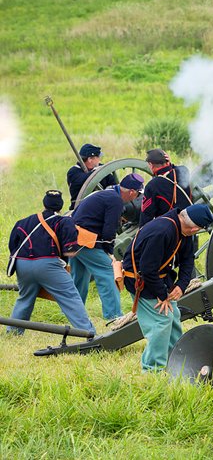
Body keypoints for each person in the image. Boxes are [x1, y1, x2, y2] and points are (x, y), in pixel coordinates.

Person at [122, 204, 213, 372]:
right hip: (141, 280)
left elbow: (188, 260)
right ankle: (152, 369)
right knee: (161, 321)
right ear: (194, 228)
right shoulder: (163, 231)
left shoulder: (182, 229)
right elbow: (147, 268)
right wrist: (162, 294)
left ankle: (176, 361)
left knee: (174, 316)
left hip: (159, 278)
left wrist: (181, 285)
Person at [6, 191, 96, 335]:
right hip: (47, 265)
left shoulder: (23, 221)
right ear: (60, 206)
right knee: (70, 297)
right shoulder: (64, 221)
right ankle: (88, 333)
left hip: (22, 264)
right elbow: (70, 252)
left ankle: (13, 332)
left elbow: (13, 247)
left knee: (25, 298)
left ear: (44, 203)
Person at [70, 173, 144, 320]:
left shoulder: (107, 193)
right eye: (137, 194)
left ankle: (74, 314)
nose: (136, 198)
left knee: (80, 278)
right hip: (85, 240)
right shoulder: (115, 201)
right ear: (131, 192)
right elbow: (109, 229)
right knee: (108, 274)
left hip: (72, 239)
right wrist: (110, 252)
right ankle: (114, 316)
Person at [139, 148, 193, 227]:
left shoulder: (152, 186)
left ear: (150, 165)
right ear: (167, 161)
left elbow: (146, 216)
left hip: (169, 228)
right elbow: (174, 168)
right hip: (188, 224)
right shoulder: (183, 170)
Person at [67, 143, 118, 210]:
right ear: (90, 159)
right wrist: (96, 172)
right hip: (80, 209)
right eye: (98, 157)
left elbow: (113, 185)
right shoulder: (74, 172)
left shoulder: (101, 169)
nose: (99, 160)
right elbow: (82, 181)